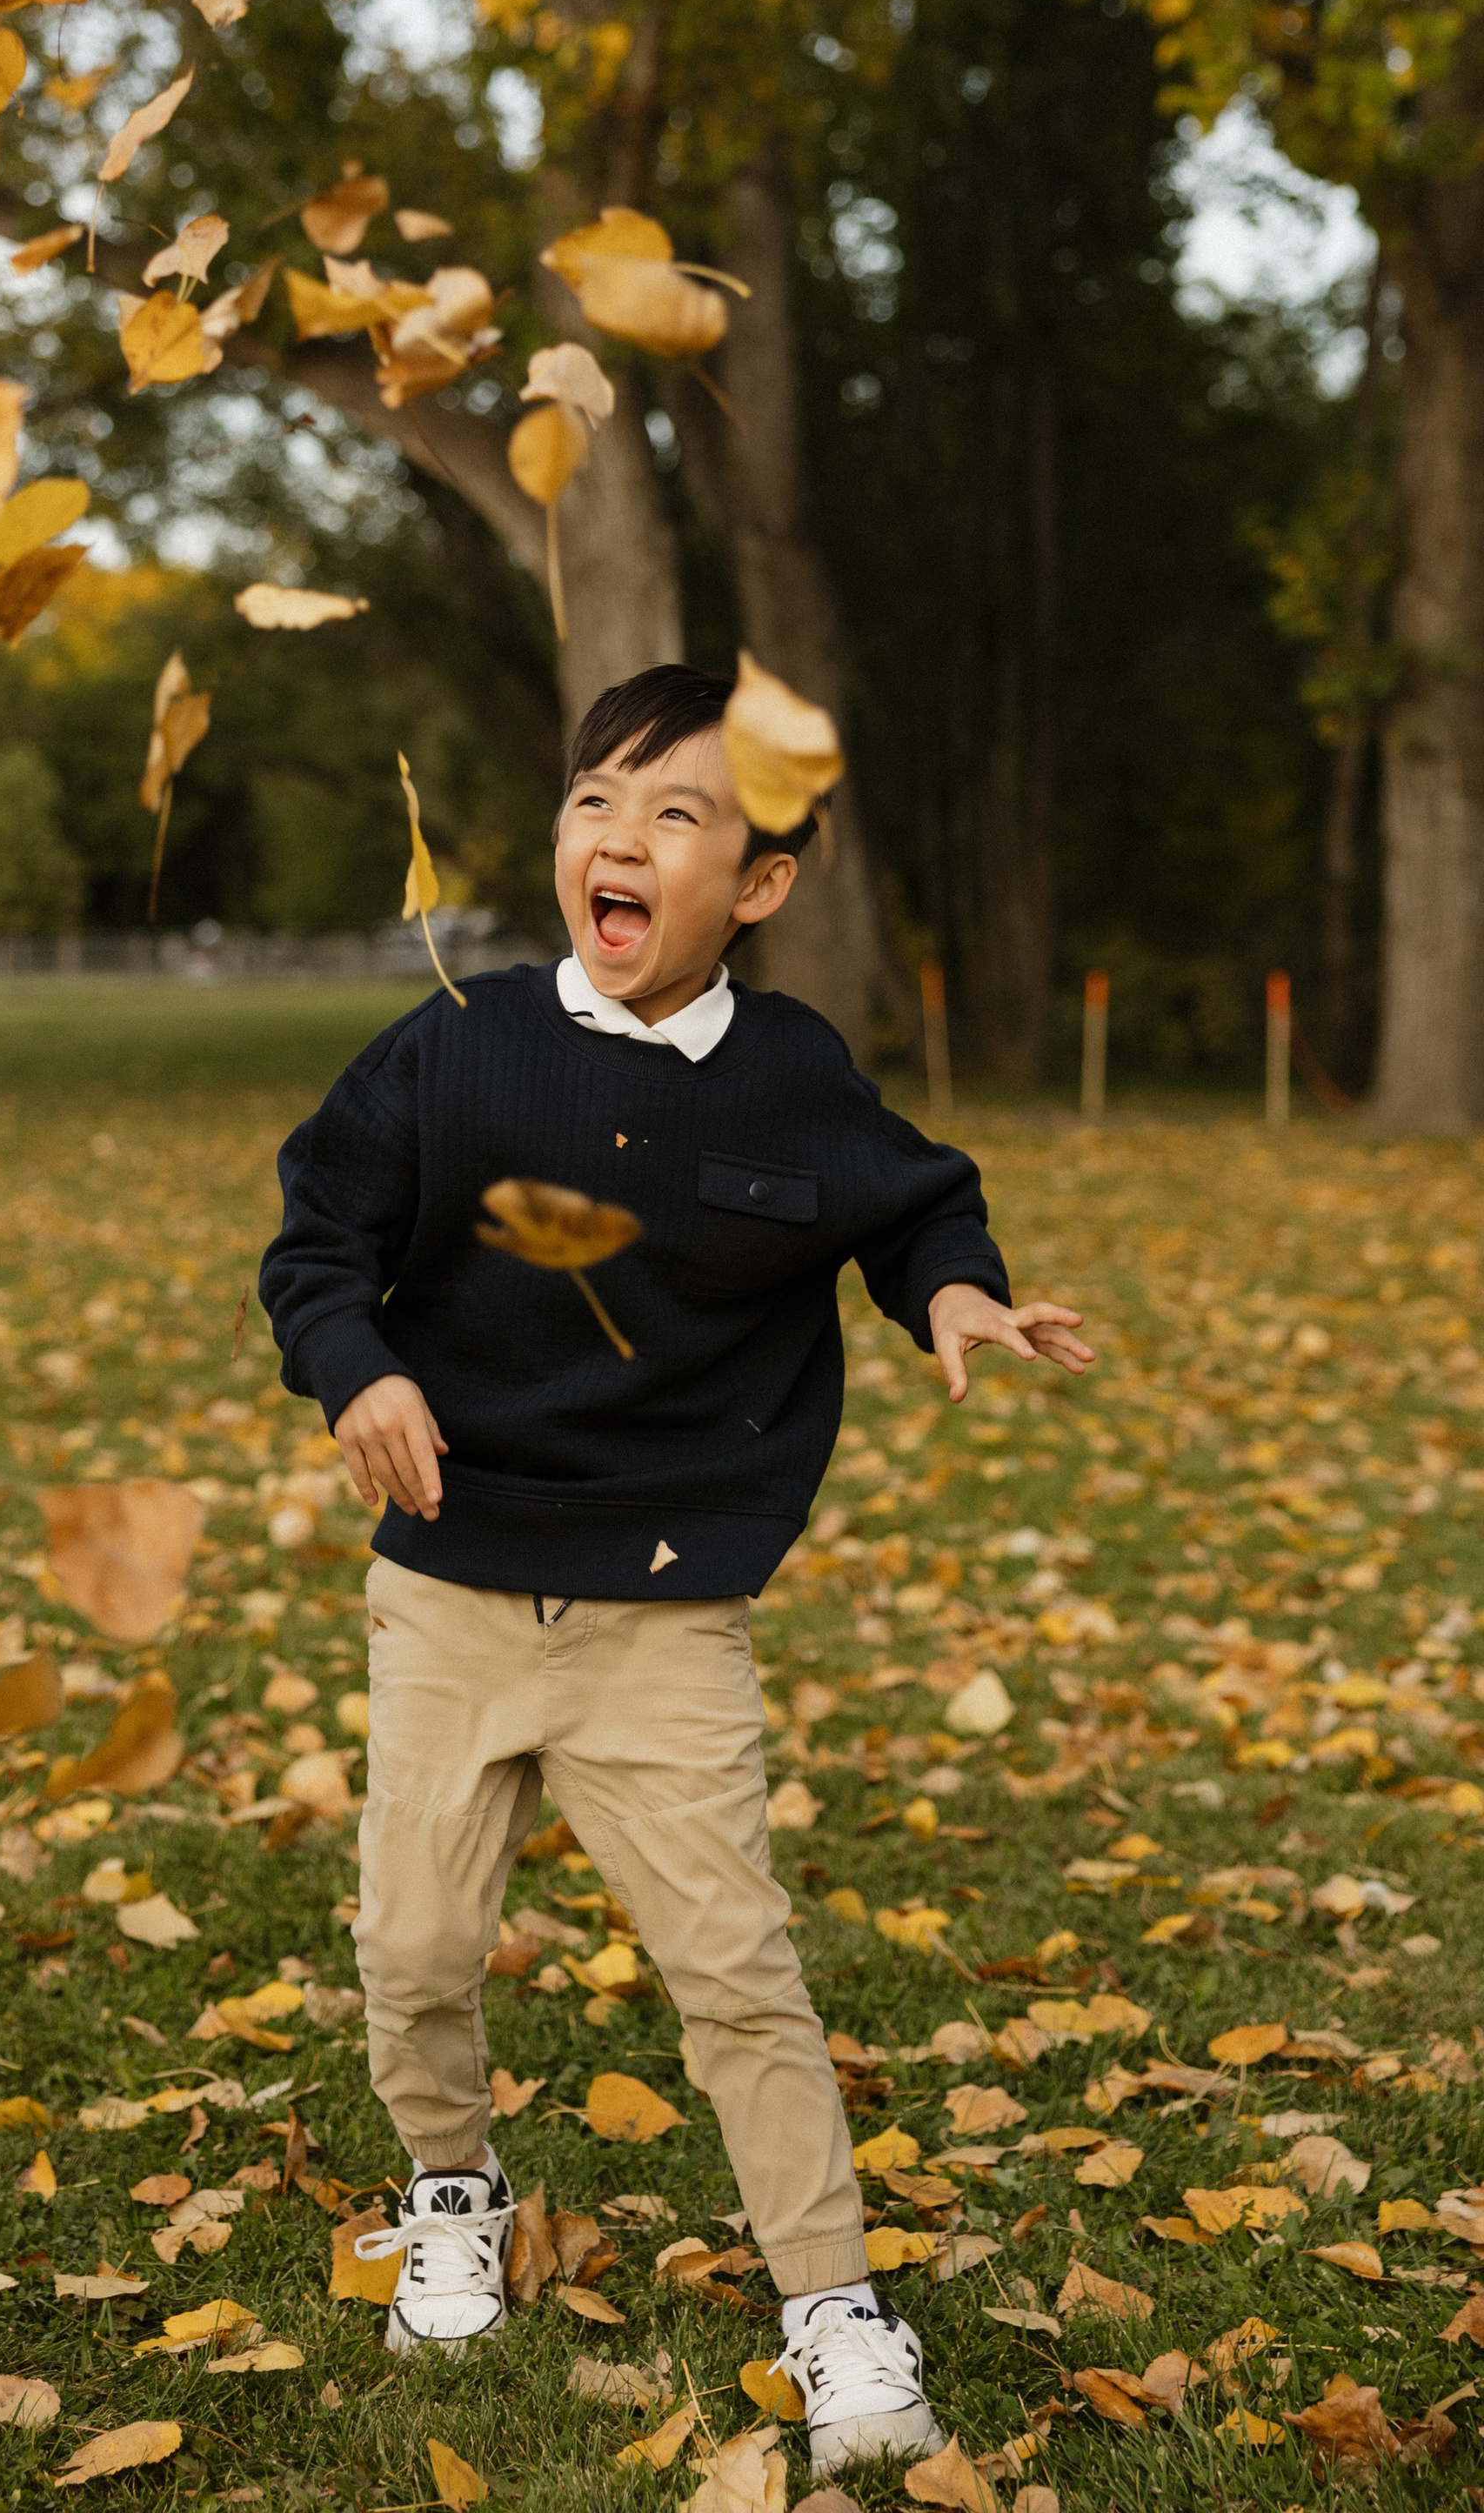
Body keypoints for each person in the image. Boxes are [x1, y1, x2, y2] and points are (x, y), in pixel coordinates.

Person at [258, 664, 1093, 2477]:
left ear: (761, 886)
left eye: (674, 817)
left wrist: (950, 1288)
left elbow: (911, 1200)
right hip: (452, 1588)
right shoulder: (452, 1047)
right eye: (591, 805)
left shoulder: (791, 1078)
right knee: (407, 1944)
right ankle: (451, 2191)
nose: (616, 842)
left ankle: (827, 2297)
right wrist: (356, 1367)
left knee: (734, 1970)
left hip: (661, 1606)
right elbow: (313, 1235)